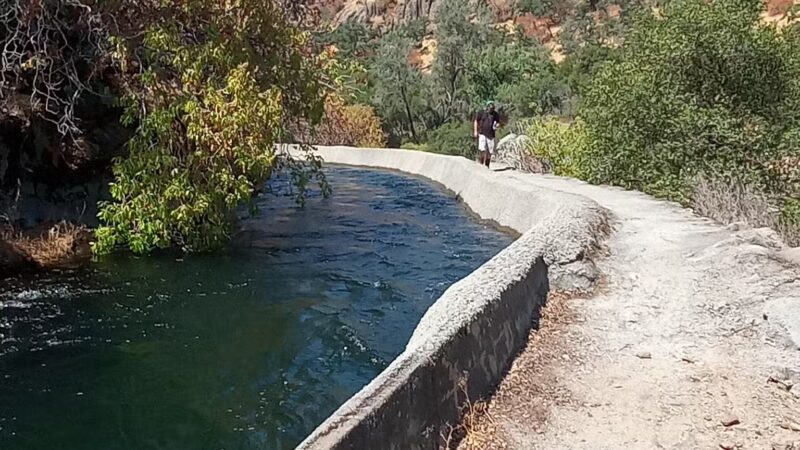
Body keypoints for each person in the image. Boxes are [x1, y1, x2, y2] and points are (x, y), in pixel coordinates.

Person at [473, 101, 500, 168]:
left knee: (489, 153)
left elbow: (498, 122)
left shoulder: (495, 114)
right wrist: (475, 131)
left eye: (492, 108)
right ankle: (481, 165)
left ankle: (487, 166)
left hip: (491, 135)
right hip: (482, 133)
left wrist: (496, 125)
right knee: (482, 150)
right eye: (490, 108)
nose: (491, 110)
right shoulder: (482, 113)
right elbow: (476, 121)